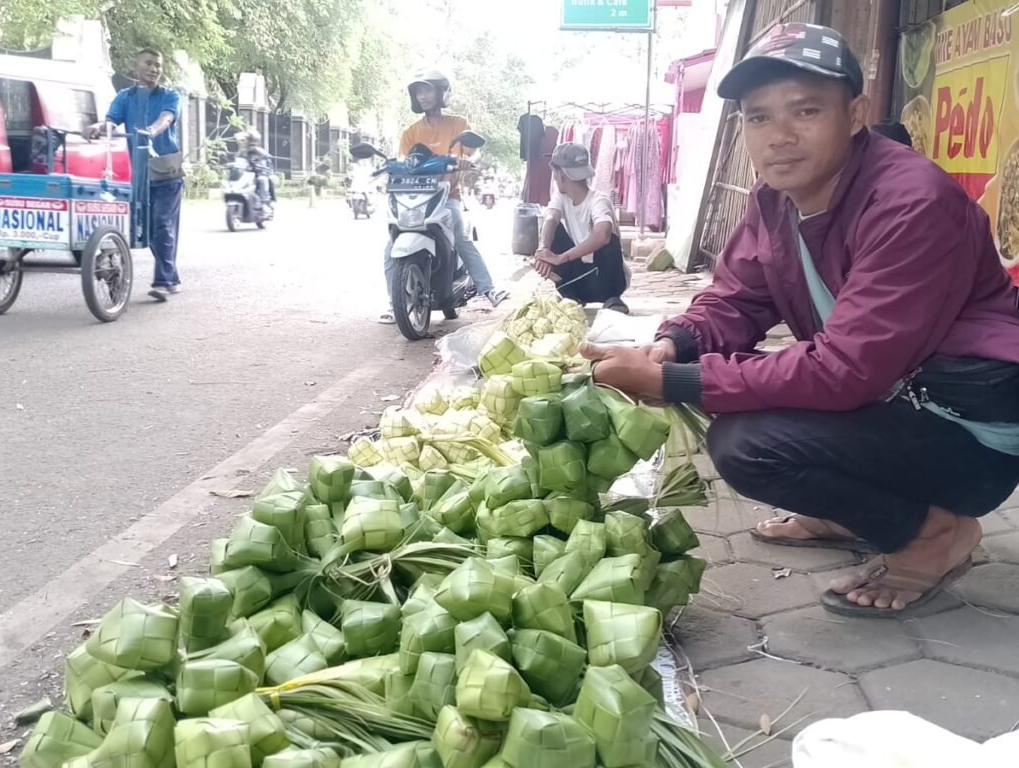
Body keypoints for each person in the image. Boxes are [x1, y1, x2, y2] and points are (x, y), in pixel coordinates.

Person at [583, 23, 1019, 618]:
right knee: (750, 402)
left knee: (748, 444)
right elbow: (736, 298)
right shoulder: (774, 202)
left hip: (971, 428)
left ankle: (934, 537)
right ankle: (849, 509)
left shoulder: (912, 202)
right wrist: (674, 344)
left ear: (856, 113)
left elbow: (845, 370)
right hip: (897, 397)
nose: (780, 137)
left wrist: (675, 384)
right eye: (758, 117)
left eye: (806, 110)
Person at [378, 69, 508, 324]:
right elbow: (406, 161)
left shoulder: (458, 124)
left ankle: (487, 288)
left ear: (441, 92)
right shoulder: (410, 132)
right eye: (418, 91)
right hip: (415, 198)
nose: (422, 96)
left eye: (427, 90)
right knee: (390, 247)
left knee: (459, 235)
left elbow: (473, 152)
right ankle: (396, 304)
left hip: (448, 195)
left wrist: (467, 160)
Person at [86, 48, 183, 302]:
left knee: (162, 226)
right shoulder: (124, 97)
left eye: (158, 65)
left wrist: (152, 130)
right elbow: (111, 122)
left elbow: (167, 118)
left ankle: (163, 281)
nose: (154, 69)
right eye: (149, 64)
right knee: (142, 229)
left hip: (166, 173)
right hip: (136, 174)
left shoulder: (170, 96)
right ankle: (170, 276)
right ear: (135, 67)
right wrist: (98, 127)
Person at [534, 142, 630, 314]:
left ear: (561, 175)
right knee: (551, 230)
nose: (555, 178)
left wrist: (561, 258)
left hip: (606, 281)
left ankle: (612, 299)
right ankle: (571, 296)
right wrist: (544, 251)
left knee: (607, 236)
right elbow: (550, 219)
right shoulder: (561, 198)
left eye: (555, 174)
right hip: (578, 281)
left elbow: (603, 235)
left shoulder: (598, 200)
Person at [239, 129, 274, 209]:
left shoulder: (260, 152)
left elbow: (267, 157)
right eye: (249, 142)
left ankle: (264, 202)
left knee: (262, 180)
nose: (251, 145)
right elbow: (237, 159)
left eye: (253, 143)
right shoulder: (243, 152)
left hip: (258, 174)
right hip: (246, 174)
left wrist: (261, 165)